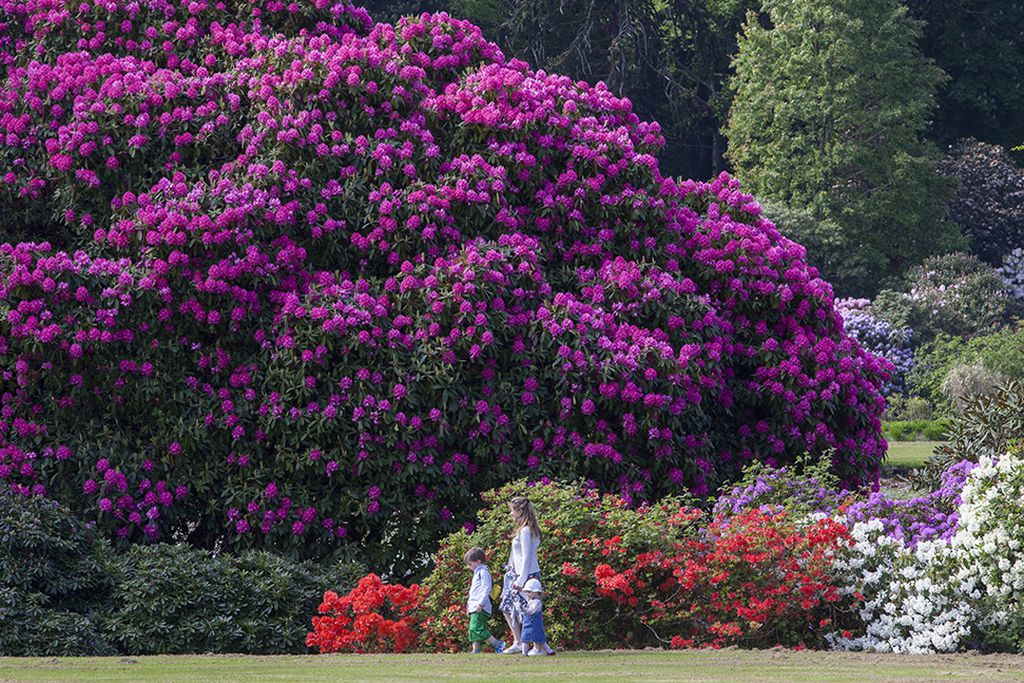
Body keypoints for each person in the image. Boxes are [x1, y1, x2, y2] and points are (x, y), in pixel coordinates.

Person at [499, 496, 555, 655]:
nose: (511, 513)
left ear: (520, 511)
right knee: (508, 607)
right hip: (520, 574)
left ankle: (536, 646)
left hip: (527, 576)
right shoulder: (526, 529)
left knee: (528, 610)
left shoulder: (525, 531)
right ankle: (519, 642)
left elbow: (527, 556)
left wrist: (521, 580)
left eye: (512, 510)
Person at [464, 547, 505, 654]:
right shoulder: (477, 573)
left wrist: (481, 604)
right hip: (474, 606)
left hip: (480, 606)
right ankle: (476, 650)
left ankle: (498, 644)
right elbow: (473, 593)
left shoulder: (483, 572)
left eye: (470, 564)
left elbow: (486, 588)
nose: (469, 567)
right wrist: (469, 607)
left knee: (477, 628)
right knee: (473, 629)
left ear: (478, 561)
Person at [517, 577, 548, 656]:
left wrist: (523, 609)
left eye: (529, 592)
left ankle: (549, 651)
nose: (527, 594)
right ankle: (524, 653)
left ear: (536, 592)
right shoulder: (530, 600)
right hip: (527, 624)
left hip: (535, 625)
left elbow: (531, 611)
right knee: (524, 639)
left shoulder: (537, 602)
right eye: (526, 592)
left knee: (540, 640)